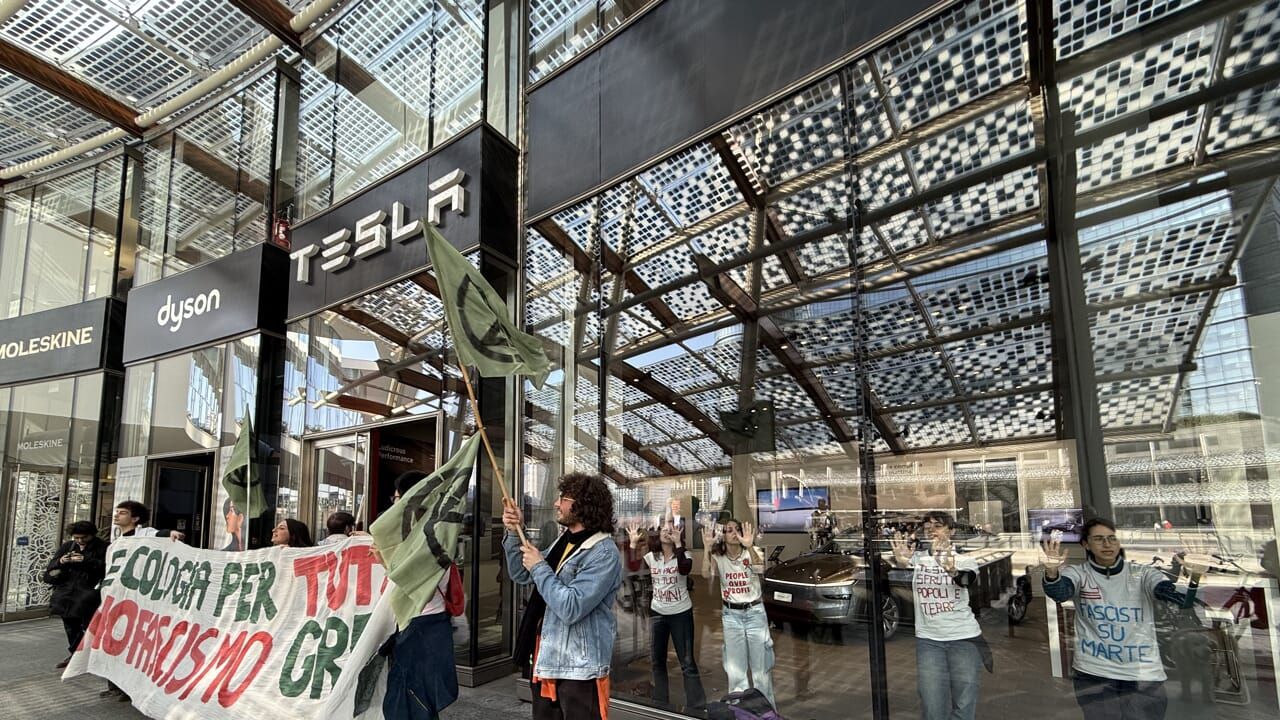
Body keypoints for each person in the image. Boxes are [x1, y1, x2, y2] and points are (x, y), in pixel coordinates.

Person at [1041, 518, 1202, 719]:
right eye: (1099, 539)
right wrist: (1052, 572)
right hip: (1094, 672)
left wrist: (1194, 579)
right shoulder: (1079, 573)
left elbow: (1172, 596)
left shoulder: (1141, 573)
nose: (1107, 544)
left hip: (1142, 675)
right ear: (1086, 544)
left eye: (1112, 539)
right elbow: (1060, 592)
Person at [503, 473, 622, 720]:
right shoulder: (563, 541)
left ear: (584, 505)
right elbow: (520, 573)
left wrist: (538, 566)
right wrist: (514, 531)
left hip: (580, 670)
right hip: (546, 658)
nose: (557, 504)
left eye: (564, 499)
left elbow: (571, 606)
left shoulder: (603, 552)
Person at [889, 511, 990, 720]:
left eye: (938, 525)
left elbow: (966, 580)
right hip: (929, 641)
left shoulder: (964, 560)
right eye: (928, 527)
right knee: (932, 706)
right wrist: (899, 562)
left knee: (964, 705)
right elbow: (898, 568)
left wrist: (951, 569)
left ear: (951, 531)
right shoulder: (917, 559)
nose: (931, 530)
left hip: (964, 638)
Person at [381, 470, 460, 720]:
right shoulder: (430, 532)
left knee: (409, 702)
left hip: (420, 626)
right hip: (420, 626)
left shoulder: (428, 537)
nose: (393, 504)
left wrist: (383, 559)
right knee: (416, 700)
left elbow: (413, 579)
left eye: (396, 499)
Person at [102, 501, 184, 701]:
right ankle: (115, 685)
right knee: (113, 642)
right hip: (116, 599)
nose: (117, 516)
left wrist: (171, 534)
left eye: (122, 513)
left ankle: (129, 688)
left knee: (133, 643)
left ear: (135, 518)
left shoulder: (144, 534)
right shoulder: (115, 544)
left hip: (137, 601)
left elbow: (161, 534)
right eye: (117, 512)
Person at [627, 518, 706, 712]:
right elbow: (632, 569)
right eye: (663, 528)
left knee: (687, 662)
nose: (666, 531)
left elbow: (685, 569)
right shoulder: (652, 557)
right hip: (658, 613)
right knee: (657, 661)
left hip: (681, 614)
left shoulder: (684, 554)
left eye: (671, 528)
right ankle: (661, 703)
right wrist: (632, 544)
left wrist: (678, 544)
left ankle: (697, 707)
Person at [701, 518, 774, 707]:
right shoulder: (719, 556)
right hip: (731, 615)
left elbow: (760, 569)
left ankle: (766, 713)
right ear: (723, 536)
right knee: (736, 672)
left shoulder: (751, 552)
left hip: (755, 612)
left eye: (737, 529)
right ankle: (740, 712)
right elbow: (705, 574)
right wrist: (707, 549)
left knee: (761, 671)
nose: (733, 532)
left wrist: (749, 546)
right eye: (728, 530)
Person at [44, 521, 108, 668]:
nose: (80, 541)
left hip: (89, 591)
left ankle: (90, 655)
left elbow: (106, 568)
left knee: (89, 624)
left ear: (92, 535)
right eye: (76, 538)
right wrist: (62, 560)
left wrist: (86, 560)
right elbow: (52, 565)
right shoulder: (68, 546)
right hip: (66, 592)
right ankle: (76, 654)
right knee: (70, 624)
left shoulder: (103, 547)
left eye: (84, 538)